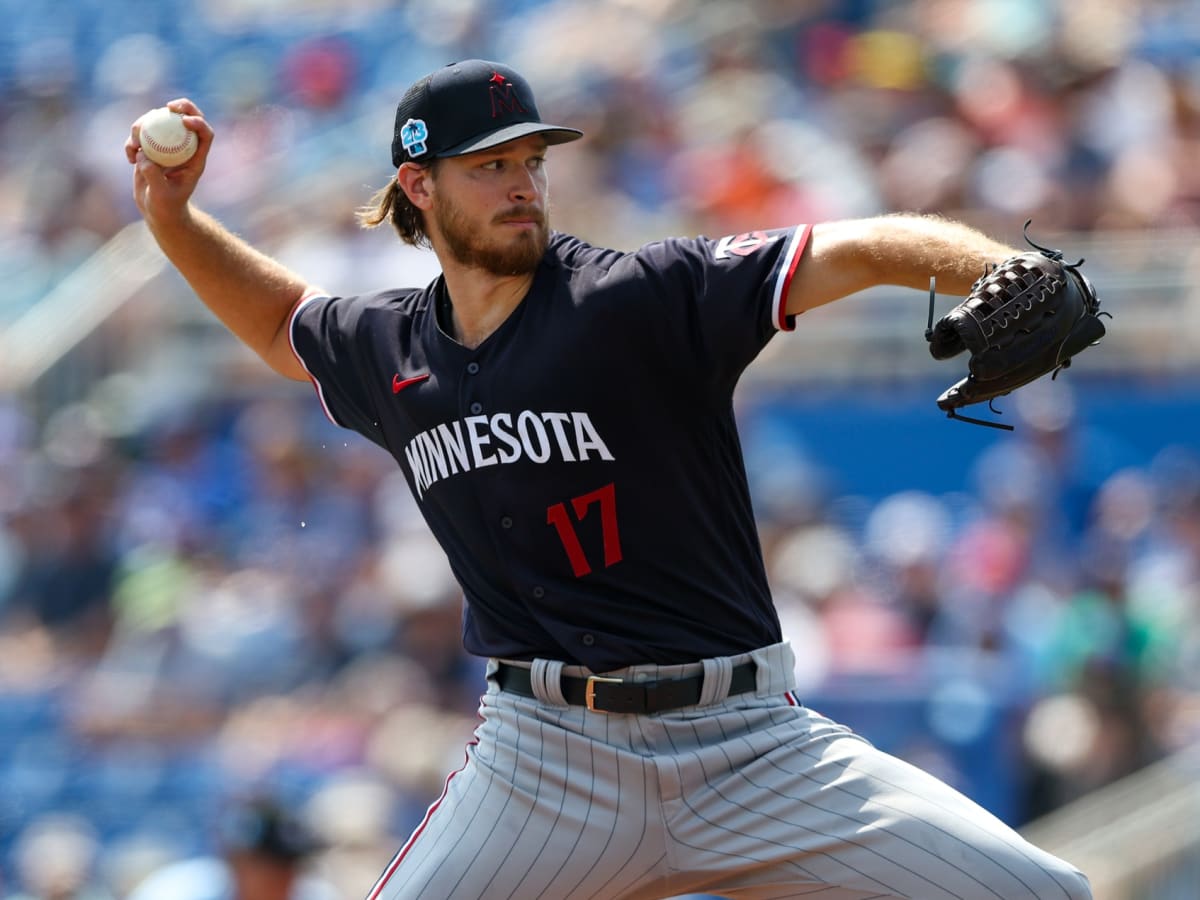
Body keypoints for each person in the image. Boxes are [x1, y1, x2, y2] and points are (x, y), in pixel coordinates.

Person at [126, 59, 1092, 900]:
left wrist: (1003, 266)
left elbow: (858, 246)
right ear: (417, 187)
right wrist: (172, 217)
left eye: (532, 161)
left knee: (1041, 892)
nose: (522, 186)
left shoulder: (636, 295)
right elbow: (278, 321)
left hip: (747, 744)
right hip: (544, 763)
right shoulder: (389, 348)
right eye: (490, 165)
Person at [125, 795, 337, 900]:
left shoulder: (314, 894)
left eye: (292, 865)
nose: (288, 877)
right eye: (274, 867)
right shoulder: (180, 891)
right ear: (239, 862)